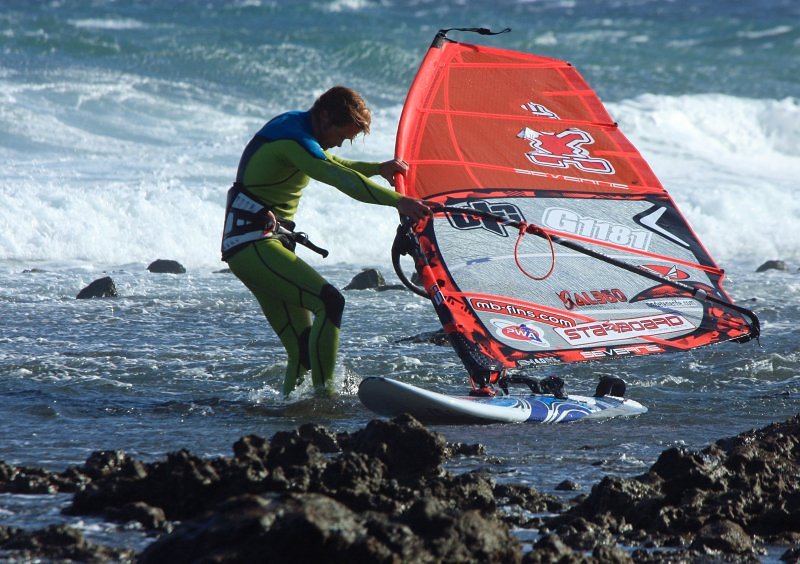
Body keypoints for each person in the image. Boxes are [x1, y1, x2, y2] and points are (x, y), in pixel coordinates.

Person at [221, 86, 434, 398]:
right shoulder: (292, 138)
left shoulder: (299, 131)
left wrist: (377, 169)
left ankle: (292, 411)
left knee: (303, 351)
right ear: (323, 116)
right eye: (341, 134)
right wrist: (399, 202)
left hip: (255, 244)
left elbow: (333, 163)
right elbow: (337, 177)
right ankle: (325, 398)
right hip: (254, 243)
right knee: (330, 301)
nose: (341, 142)